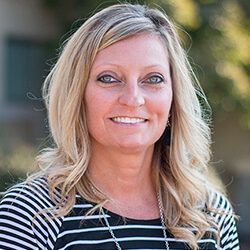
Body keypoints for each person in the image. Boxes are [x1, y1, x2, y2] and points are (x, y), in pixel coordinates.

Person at [0, 3, 239, 250]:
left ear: (173, 98)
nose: (133, 98)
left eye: (153, 79)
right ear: (77, 95)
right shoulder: (31, 214)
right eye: (109, 78)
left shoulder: (212, 214)